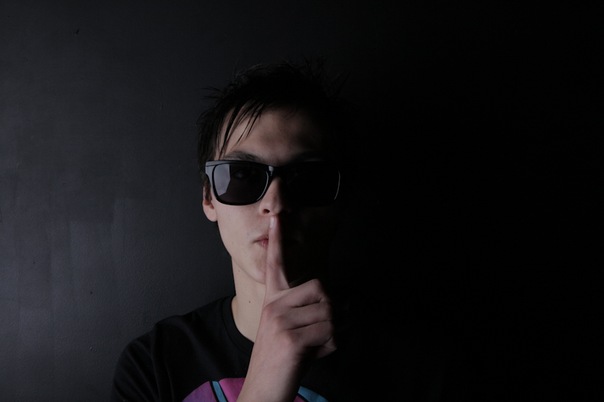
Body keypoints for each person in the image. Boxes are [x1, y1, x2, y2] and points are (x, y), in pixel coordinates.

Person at [111, 58, 471, 402]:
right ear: (209, 198)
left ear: (341, 200)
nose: (276, 203)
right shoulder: (153, 366)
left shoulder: (419, 364)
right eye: (242, 175)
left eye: (308, 178)